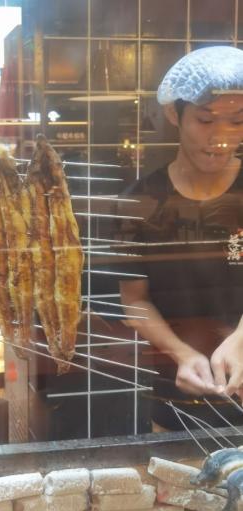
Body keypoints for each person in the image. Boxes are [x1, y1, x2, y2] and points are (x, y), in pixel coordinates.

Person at [116, 46, 243, 431]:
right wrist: (182, 353)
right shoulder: (140, 202)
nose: (220, 137)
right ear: (174, 114)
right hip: (178, 394)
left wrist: (241, 339)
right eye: (205, 120)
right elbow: (134, 301)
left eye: (237, 122)